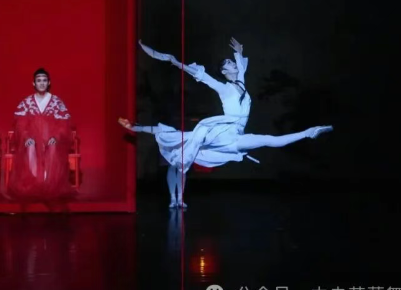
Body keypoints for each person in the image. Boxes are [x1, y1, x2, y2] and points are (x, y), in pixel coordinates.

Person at [119, 38, 333, 208]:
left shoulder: (241, 82)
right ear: (224, 72)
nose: (233, 64)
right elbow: (202, 76)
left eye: (232, 62)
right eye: (229, 63)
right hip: (224, 133)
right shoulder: (223, 88)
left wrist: (239, 52)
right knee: (184, 137)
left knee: (269, 140)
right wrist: (176, 62)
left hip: (236, 137)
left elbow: (242, 68)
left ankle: (310, 132)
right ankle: (138, 129)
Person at [7, 68, 76, 201]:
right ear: (34, 83)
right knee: (30, 147)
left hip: (52, 140)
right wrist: (27, 138)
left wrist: (56, 137)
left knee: (53, 147)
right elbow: (21, 125)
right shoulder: (27, 102)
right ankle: (36, 182)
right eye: (39, 81)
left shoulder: (56, 102)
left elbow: (63, 125)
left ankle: (48, 183)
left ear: (48, 83)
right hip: (33, 140)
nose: (42, 83)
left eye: (44, 80)